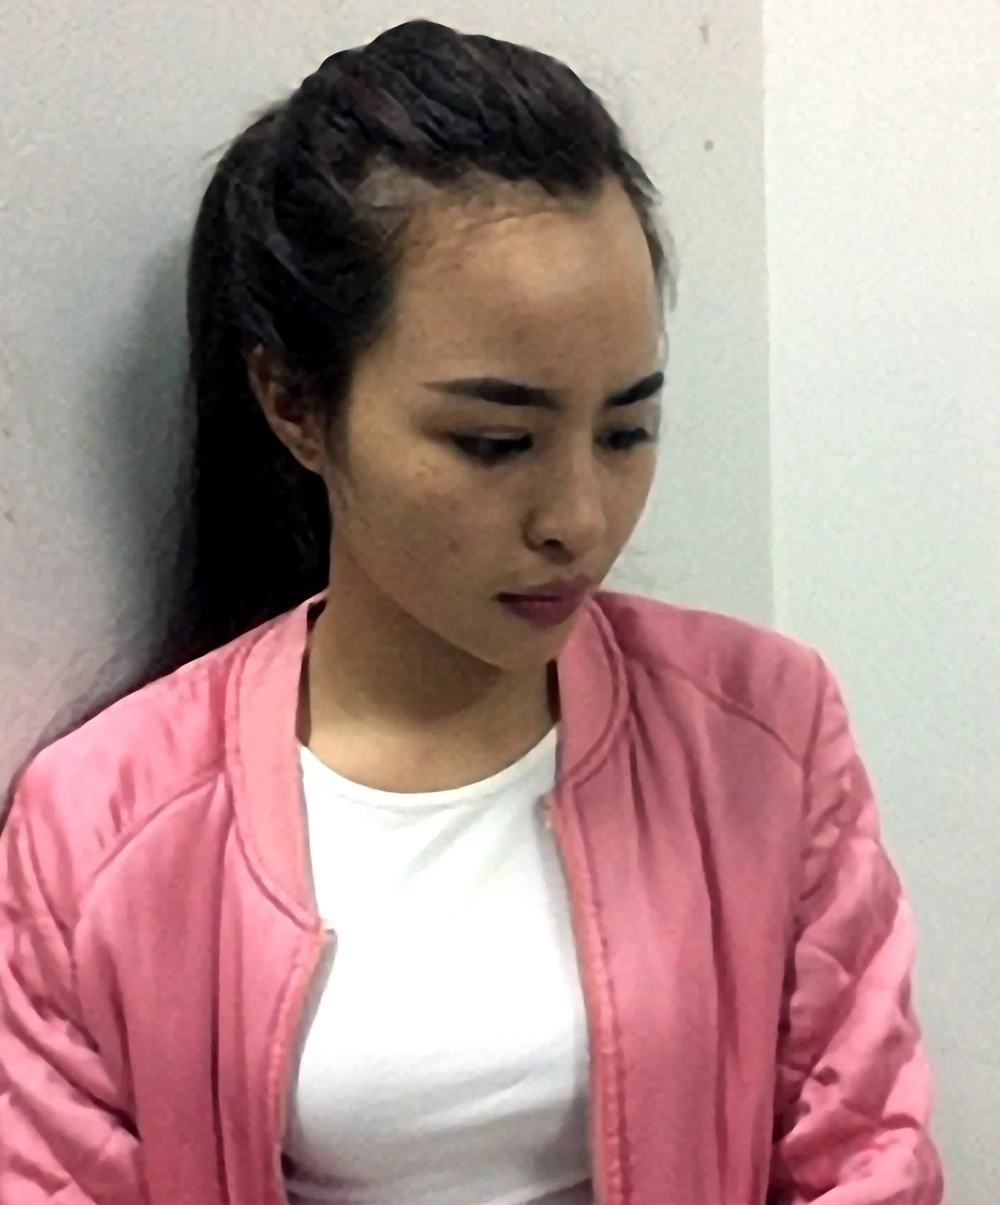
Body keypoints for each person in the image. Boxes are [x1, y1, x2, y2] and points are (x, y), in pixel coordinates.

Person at [0, 18, 943, 1205]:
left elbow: (865, 1156)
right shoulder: (101, 826)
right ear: (294, 402)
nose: (578, 518)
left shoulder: (761, 734)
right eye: (495, 440)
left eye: (625, 431)